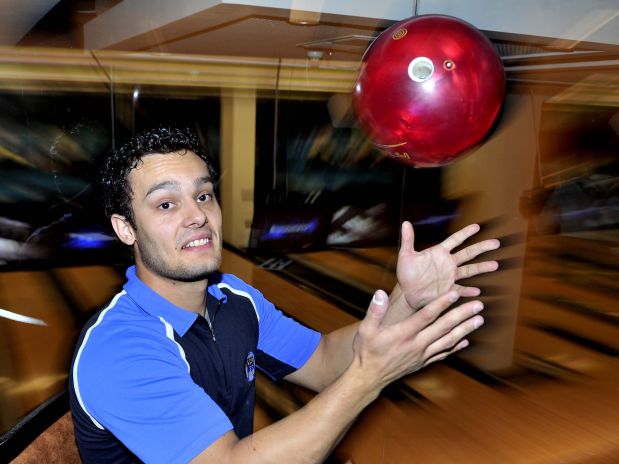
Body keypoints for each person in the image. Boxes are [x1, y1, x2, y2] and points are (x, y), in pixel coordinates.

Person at [69, 126, 500, 463]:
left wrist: (406, 299)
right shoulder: (120, 347)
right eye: (166, 204)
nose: (197, 215)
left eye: (203, 195)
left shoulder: (233, 298)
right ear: (126, 228)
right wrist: (370, 377)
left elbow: (325, 362)